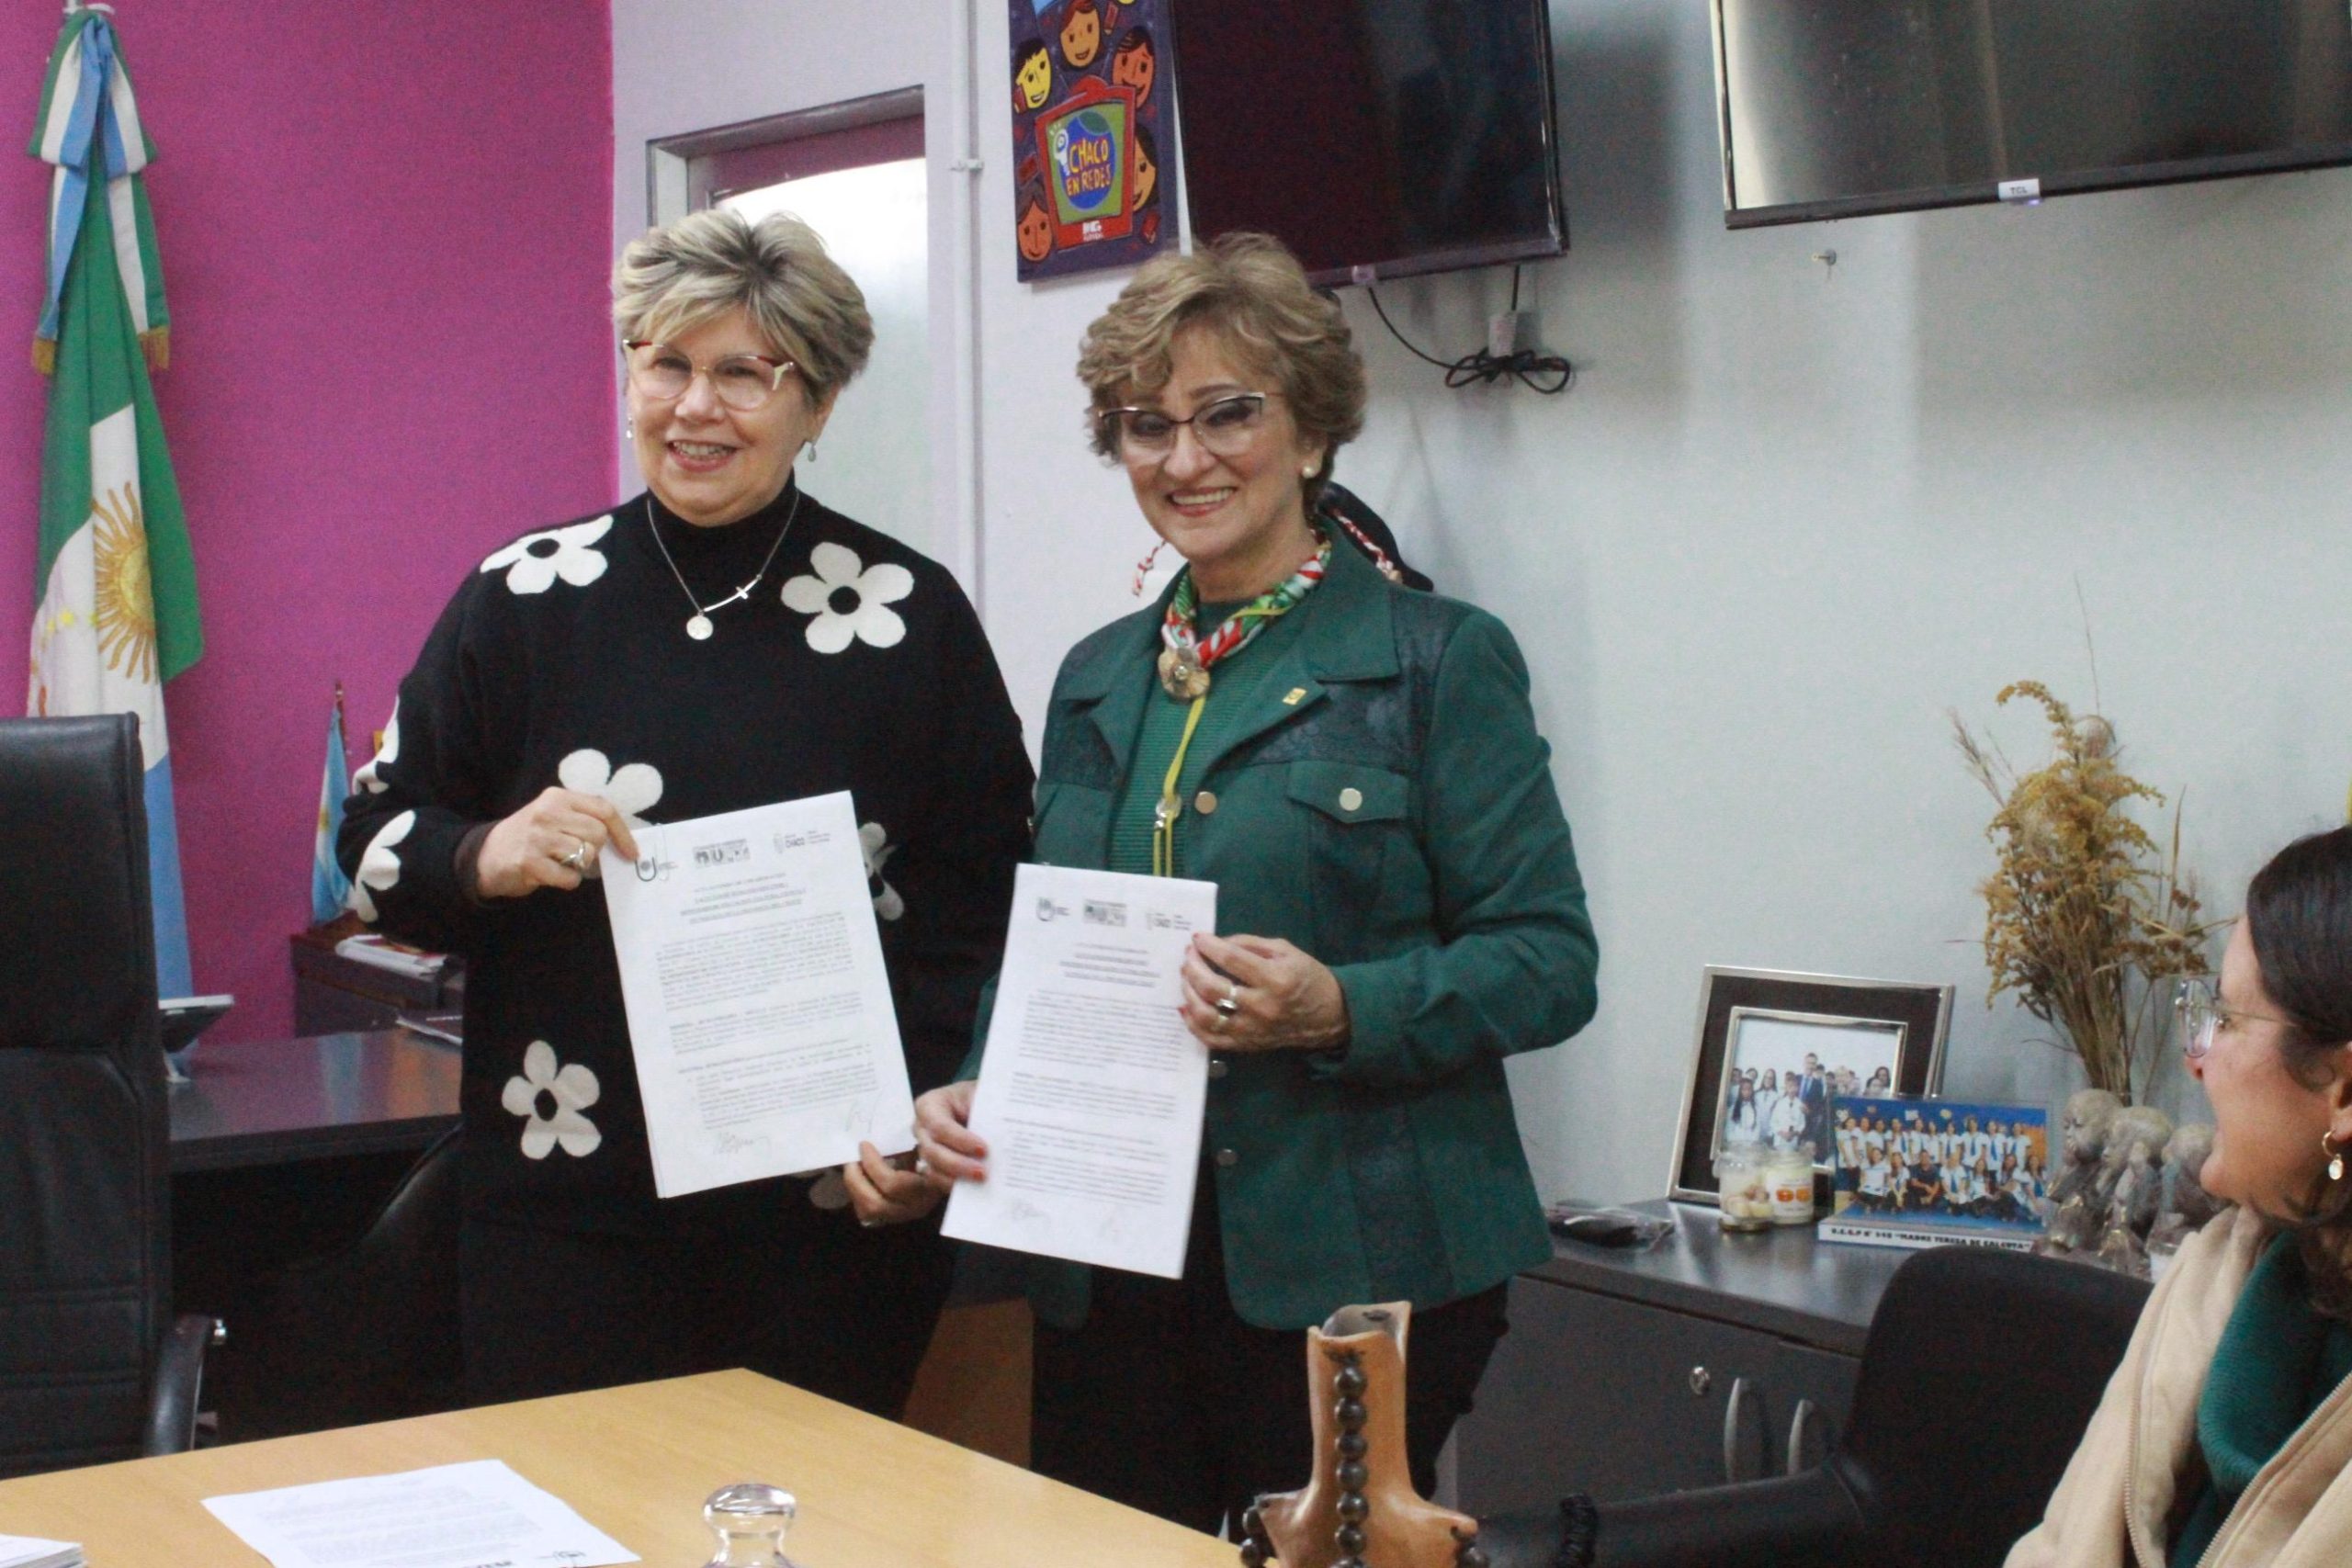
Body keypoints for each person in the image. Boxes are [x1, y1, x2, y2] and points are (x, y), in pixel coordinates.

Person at [893, 232, 1600, 1534]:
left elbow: (1548, 960)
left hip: (1361, 1263)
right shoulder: (1098, 675)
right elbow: (1052, 948)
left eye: (1228, 414)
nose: (1185, 459)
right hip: (1111, 1260)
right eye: (1146, 426)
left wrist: (1340, 1006)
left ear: (1312, 429)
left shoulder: (1437, 660)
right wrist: (982, 1088)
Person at [337, 208, 1033, 1413]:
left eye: (743, 374)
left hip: (831, 1216)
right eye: (666, 364)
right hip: (563, 1210)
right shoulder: (525, 596)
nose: (695, 407)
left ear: (817, 404)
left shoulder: (907, 618)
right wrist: (488, 850)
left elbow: (992, 904)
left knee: (813, 1506)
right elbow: (371, 847)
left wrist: (931, 1112)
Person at [2007, 827, 2352, 1567]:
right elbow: (2056, 1548)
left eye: (2225, 1019)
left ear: (2345, 1090)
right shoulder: (2218, 1271)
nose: (2195, 1060)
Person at [1727, 1077, 1763, 1143]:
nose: (1747, 1092)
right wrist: (1735, 1141)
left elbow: (1757, 1128)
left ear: (1752, 1091)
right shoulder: (1733, 1108)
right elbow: (1729, 1128)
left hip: (1751, 1143)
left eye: (1749, 1089)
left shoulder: (1757, 1109)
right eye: (1744, 1089)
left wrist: (1752, 1142)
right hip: (1735, 1142)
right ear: (1740, 1091)